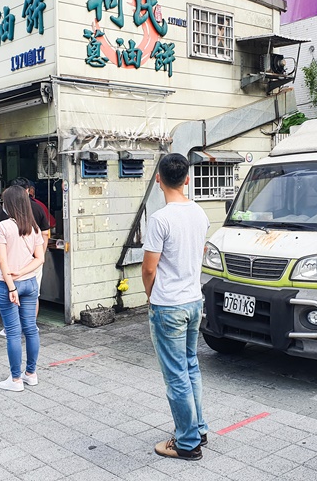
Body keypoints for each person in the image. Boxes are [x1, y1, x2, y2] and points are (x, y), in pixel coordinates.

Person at [142, 153, 210, 461]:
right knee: (190, 366)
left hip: (168, 306)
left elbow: (148, 269)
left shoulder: (160, 219)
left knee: (176, 376)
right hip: (194, 300)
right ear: (186, 179)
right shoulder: (199, 214)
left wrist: (150, 295)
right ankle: (198, 428)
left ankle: (186, 443)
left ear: (158, 179)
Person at [0, 185, 45, 391]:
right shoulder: (34, 228)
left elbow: (1, 261)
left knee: (13, 332)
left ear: (9, 204)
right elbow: (39, 259)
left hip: (7, 285)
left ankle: (15, 380)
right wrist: (22, 273)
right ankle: (31, 373)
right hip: (30, 283)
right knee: (31, 329)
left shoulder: (2, 227)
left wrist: (12, 286)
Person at [0, 178, 50, 336]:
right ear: (27, 191)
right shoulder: (37, 211)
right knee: (33, 302)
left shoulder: (1, 217)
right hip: (31, 267)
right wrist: (37, 258)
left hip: (7, 270)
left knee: (13, 332)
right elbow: (46, 233)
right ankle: (31, 326)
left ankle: (11, 327)